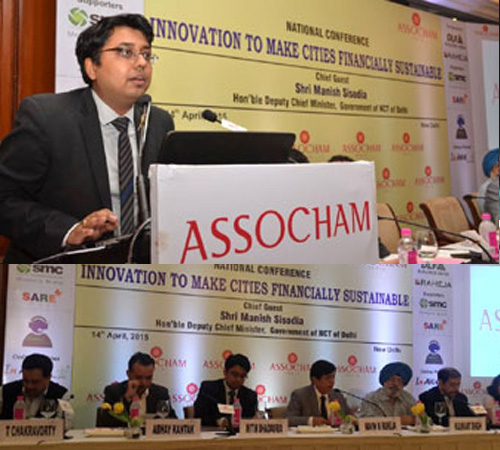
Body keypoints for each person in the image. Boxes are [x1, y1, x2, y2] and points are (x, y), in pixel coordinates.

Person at [0, 14, 174, 262]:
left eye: (146, 54)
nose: (141, 63)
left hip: (139, 272)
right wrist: (69, 230)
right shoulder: (46, 117)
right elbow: (5, 199)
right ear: (92, 67)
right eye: (126, 52)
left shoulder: (158, 121)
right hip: (62, 269)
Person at [99, 352, 176, 426]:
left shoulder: (161, 393)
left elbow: (173, 422)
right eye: (139, 377)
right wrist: (127, 399)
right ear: (128, 374)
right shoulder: (113, 392)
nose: (144, 383)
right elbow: (106, 424)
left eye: (148, 378)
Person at [0, 354, 73, 425]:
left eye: (35, 382)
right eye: (25, 380)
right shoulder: (4, 391)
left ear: (48, 378)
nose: (29, 386)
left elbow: (64, 426)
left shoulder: (62, 396)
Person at [194, 353, 257, 428]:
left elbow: (249, 420)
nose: (238, 379)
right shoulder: (208, 389)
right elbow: (199, 415)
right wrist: (219, 421)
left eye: (242, 376)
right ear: (225, 372)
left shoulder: (250, 396)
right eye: (235, 374)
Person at [285, 360, 351, 427]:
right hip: (310, 433)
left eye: (333, 377)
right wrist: (311, 421)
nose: (332, 381)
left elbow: (349, 416)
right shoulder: (300, 395)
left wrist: (348, 420)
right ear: (314, 380)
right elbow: (289, 419)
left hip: (336, 433)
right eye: (327, 378)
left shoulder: (338, 396)